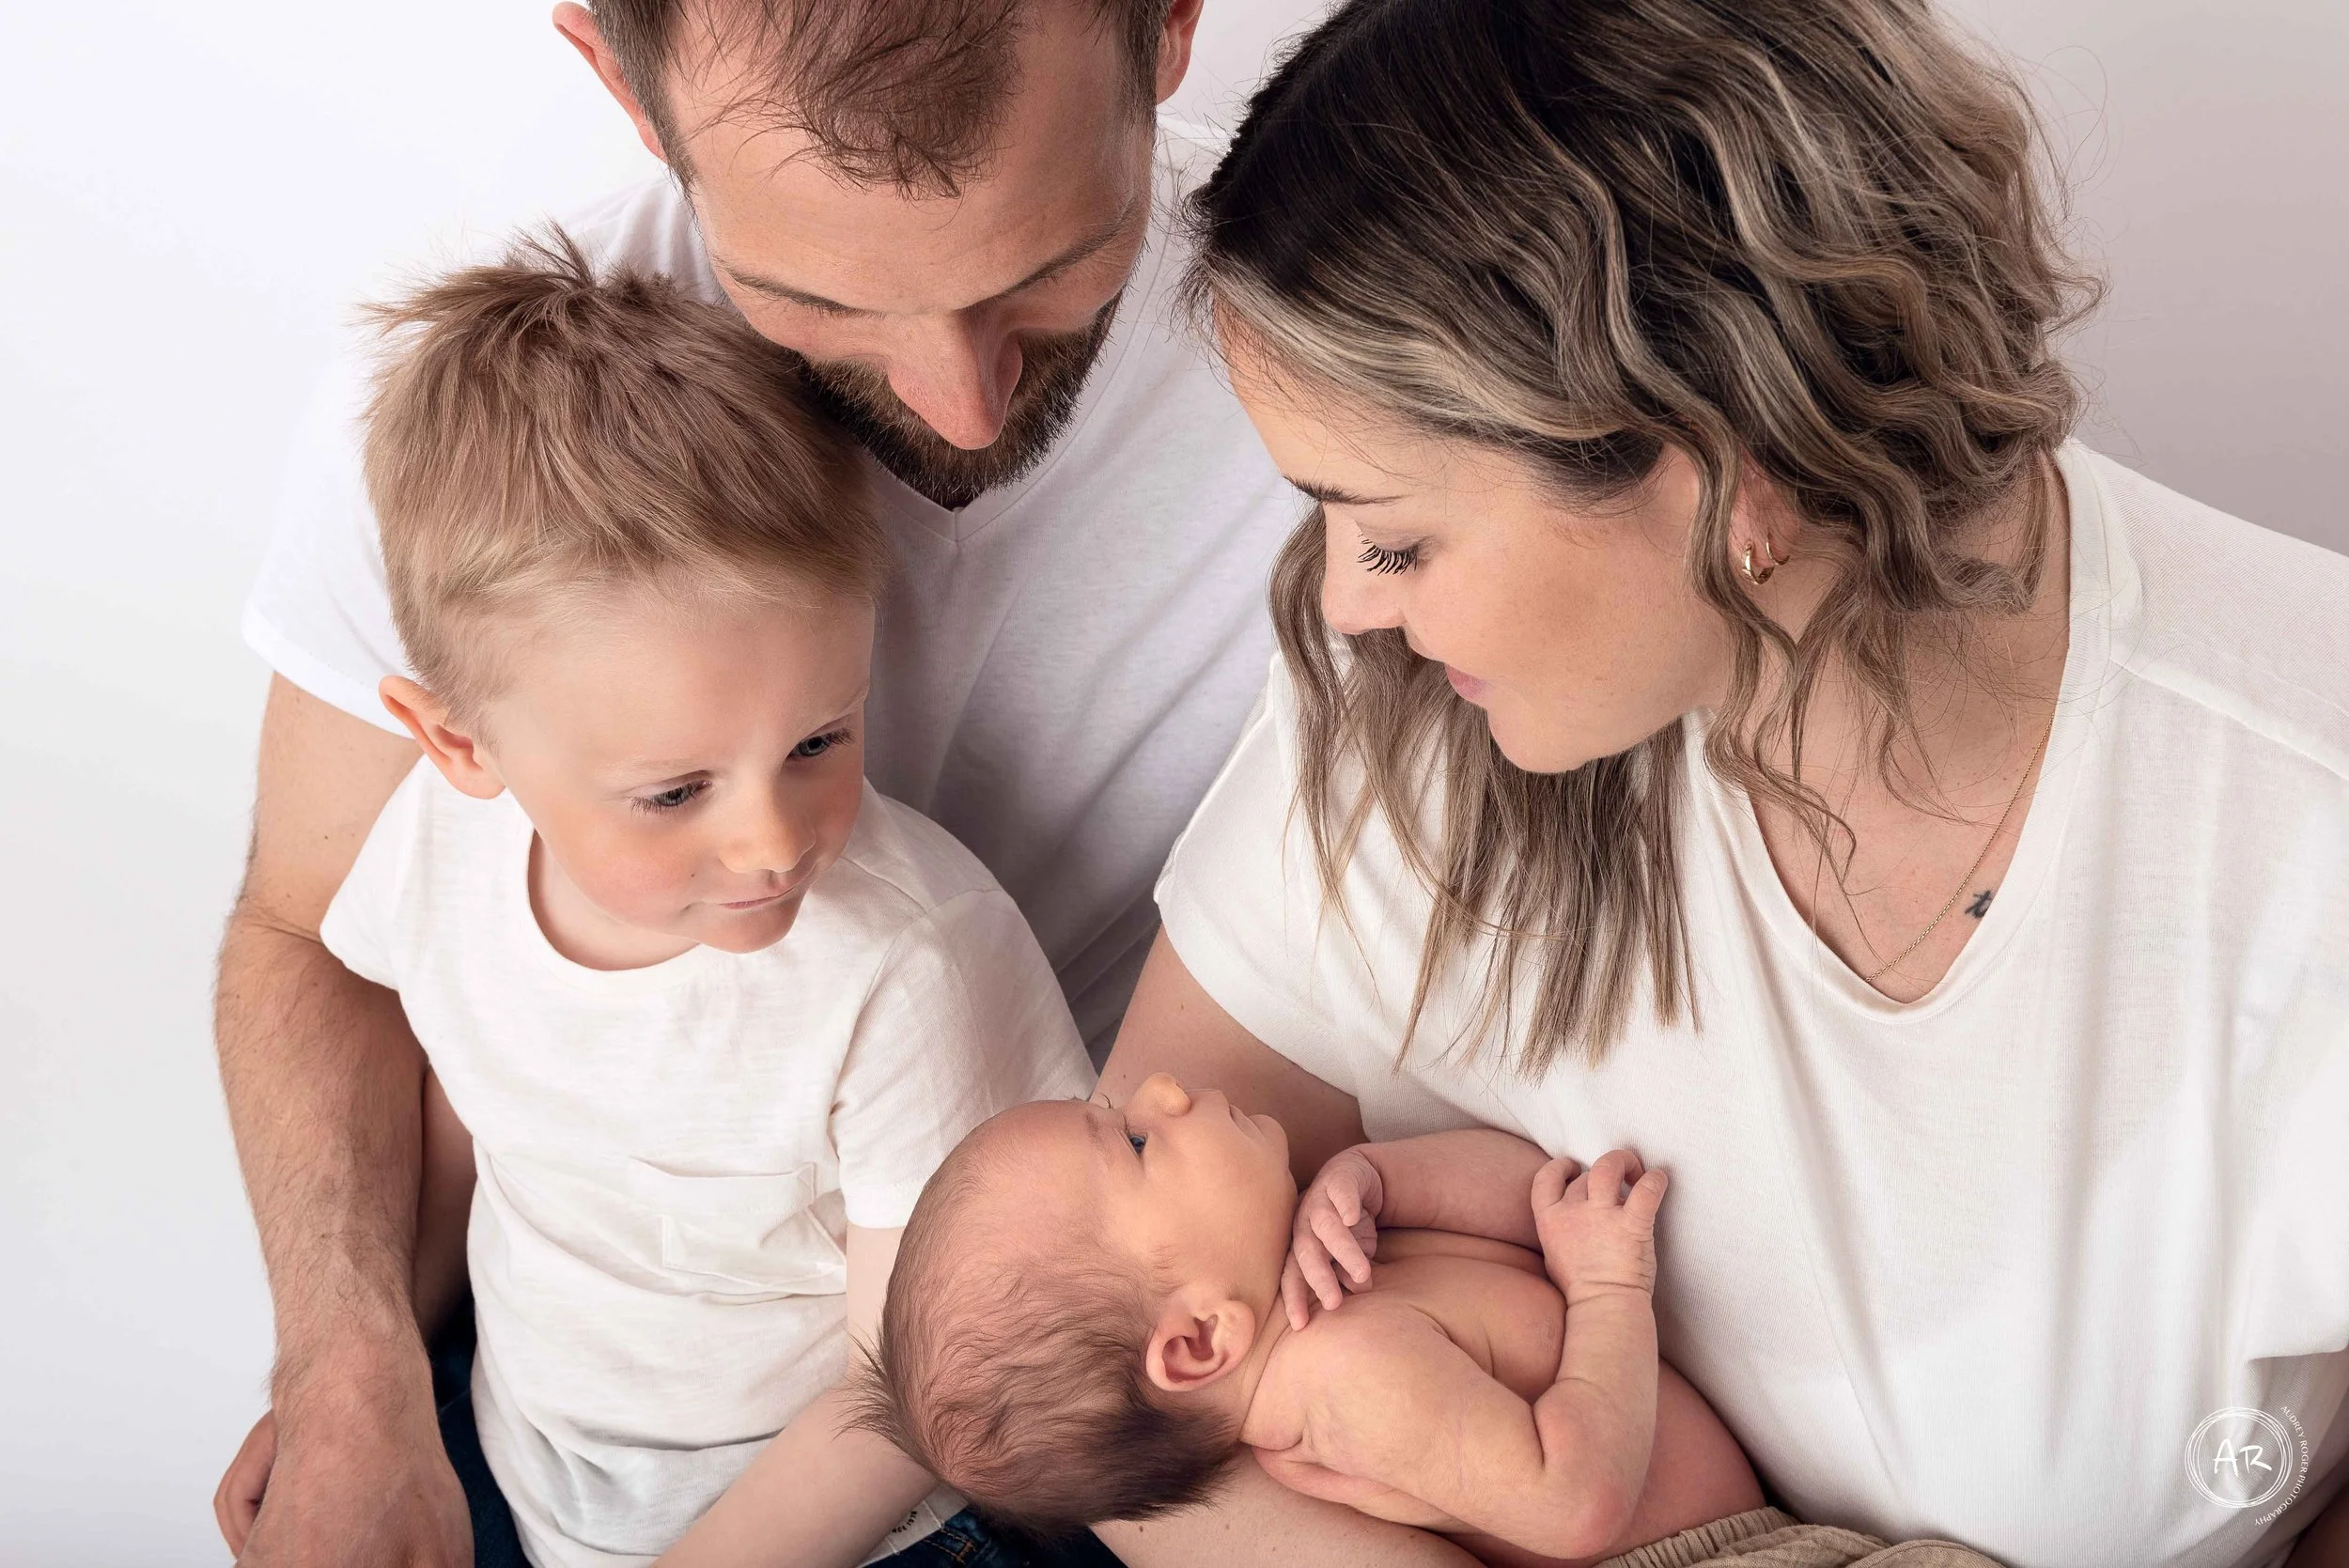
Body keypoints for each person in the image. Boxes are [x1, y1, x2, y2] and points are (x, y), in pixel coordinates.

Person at [1090, 0, 2349, 1565]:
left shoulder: (2302, 815)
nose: (1344, 596)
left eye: (1400, 536)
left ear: (1720, 469)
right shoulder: (1420, 698)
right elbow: (1109, 1356)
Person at [210, 3, 1408, 1565]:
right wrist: (350, 1369)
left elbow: (904, 1386)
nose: (961, 404)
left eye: (1047, 270)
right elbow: (315, 945)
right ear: (617, 83)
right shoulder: (473, 450)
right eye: (817, 300)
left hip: (975, 1419)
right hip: (546, 1412)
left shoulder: (1372, 371)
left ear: (1171, 24)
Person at [223, 234, 1098, 1567]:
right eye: (674, 791)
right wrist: (356, 1390)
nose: (773, 842)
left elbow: (914, 1397)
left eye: (820, 740)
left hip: (864, 1523)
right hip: (527, 1458)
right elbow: (471, 1124)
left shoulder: (907, 965)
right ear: (462, 747)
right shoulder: (432, 863)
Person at [850, 1075, 1796, 1566]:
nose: (1165, 1092)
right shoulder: (1347, 1378)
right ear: (1198, 1340)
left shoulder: (1326, 1272)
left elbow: (1541, 1202)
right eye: (1135, 1140)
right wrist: (1607, 1292)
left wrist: (1384, 1175)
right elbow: (1575, 1501)